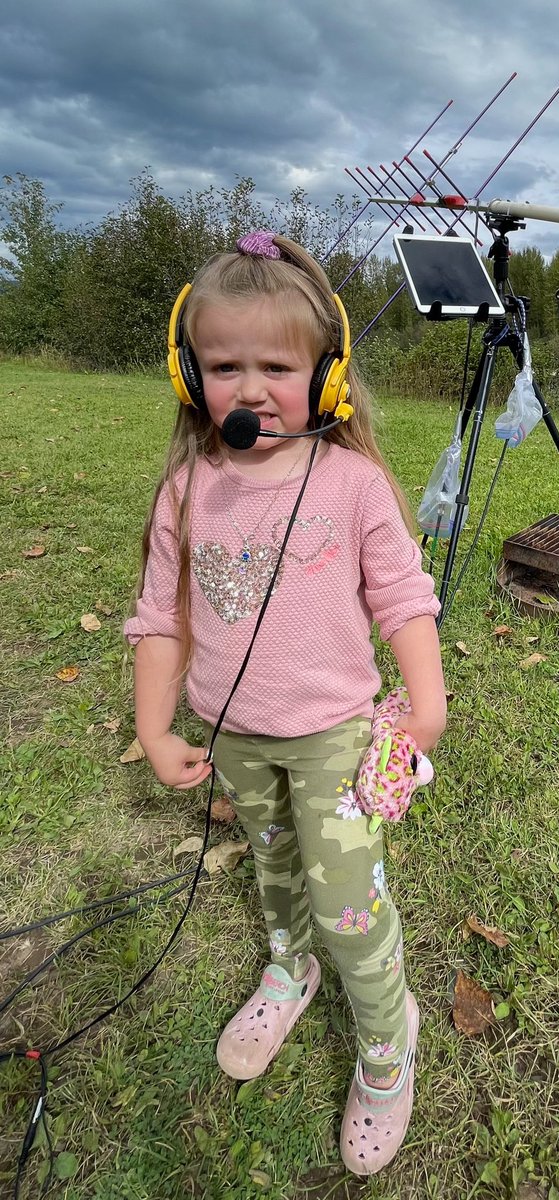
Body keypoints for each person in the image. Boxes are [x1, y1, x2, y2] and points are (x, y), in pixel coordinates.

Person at [124, 231, 446, 1176]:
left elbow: (402, 597)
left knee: (349, 900)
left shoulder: (354, 486)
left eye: (278, 364)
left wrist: (424, 701)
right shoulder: (185, 493)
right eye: (226, 365)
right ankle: (288, 966)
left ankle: (389, 1043)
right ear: (191, 378)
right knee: (273, 870)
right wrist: (154, 725)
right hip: (237, 737)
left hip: (338, 740)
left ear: (329, 378)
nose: (252, 388)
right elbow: (162, 616)